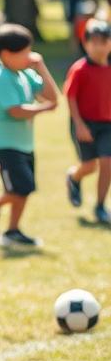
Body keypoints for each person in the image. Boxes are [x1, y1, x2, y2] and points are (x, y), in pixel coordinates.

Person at [0, 24, 59, 248]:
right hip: (6, 145)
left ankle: (13, 231)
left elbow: (52, 96)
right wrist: (42, 109)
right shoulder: (2, 77)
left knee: (22, 190)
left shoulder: (24, 73)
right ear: (6, 55)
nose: (29, 56)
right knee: (21, 187)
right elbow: (16, 110)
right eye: (23, 53)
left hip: (24, 144)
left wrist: (41, 67)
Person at [64, 20, 111, 224]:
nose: (98, 47)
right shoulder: (80, 69)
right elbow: (70, 96)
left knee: (107, 163)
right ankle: (74, 177)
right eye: (94, 42)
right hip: (85, 124)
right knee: (89, 166)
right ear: (85, 44)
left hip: (107, 124)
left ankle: (100, 206)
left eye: (103, 42)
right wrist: (80, 125)